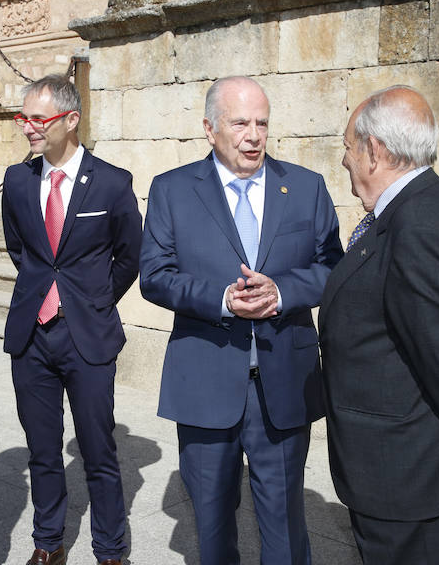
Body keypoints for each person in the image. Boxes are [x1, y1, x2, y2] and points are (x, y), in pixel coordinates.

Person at [140, 76, 344, 564]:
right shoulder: (171, 190)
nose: (253, 135)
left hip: (285, 386)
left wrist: (283, 292)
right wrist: (223, 300)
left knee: (286, 523)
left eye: (262, 123)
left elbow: (335, 268)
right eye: (240, 123)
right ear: (210, 129)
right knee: (210, 524)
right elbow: (155, 276)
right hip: (205, 384)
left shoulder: (306, 188)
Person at [318, 85, 439, 565]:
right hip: (396, 474)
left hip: (410, 478)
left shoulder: (420, 221)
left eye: (348, 147)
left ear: (375, 151)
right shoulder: (414, 210)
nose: (344, 160)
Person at [1, 74, 142, 565]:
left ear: (71, 119)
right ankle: (48, 543)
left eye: (38, 119)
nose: (28, 129)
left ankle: (110, 550)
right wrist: (46, 292)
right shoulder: (18, 180)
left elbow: (129, 257)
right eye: (24, 118)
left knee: (98, 453)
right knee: (42, 450)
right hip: (31, 336)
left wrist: (92, 300)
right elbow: (22, 252)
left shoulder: (111, 181)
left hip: (89, 336)